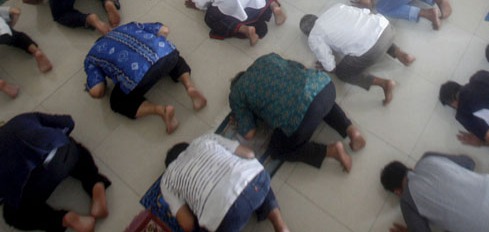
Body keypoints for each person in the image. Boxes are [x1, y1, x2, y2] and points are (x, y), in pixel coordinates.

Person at [0, 113, 110, 232]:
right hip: (57, 158)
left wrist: (3, 191)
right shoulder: (22, 118)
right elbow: (68, 122)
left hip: (30, 185)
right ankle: (96, 186)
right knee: (73, 147)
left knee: (12, 215)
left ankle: (64, 219)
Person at [229, 53, 365, 171]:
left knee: (276, 150)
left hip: (302, 119)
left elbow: (249, 133)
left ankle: (332, 151)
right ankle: (352, 132)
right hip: (326, 86)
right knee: (314, 94)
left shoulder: (236, 94)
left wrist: (240, 120)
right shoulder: (265, 59)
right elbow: (300, 67)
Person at [85, 22, 206, 132]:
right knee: (173, 56)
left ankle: (161, 110)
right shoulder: (126, 27)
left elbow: (97, 91)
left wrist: (91, 85)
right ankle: (190, 87)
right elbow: (164, 30)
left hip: (140, 77)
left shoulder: (92, 56)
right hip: (165, 55)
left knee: (117, 101)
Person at [379, 154, 489, 232]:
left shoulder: (407, 201)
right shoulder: (427, 158)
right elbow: (469, 162)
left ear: (398, 191)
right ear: (410, 168)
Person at [161, 134, 289, 232]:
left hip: (227, 217)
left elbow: (187, 224)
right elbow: (249, 154)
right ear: (188, 146)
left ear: (170, 165)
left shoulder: (167, 180)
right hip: (256, 185)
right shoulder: (205, 138)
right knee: (251, 173)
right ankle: (280, 225)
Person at [300, 4, 415, 104]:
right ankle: (403, 55)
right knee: (371, 30)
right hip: (386, 28)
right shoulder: (336, 7)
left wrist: (328, 67)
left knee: (342, 73)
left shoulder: (314, 36)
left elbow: (331, 67)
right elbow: (367, 12)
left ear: (307, 34)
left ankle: (384, 84)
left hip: (372, 51)